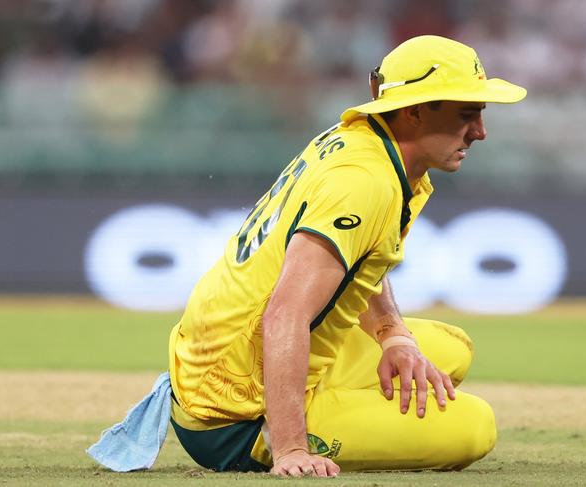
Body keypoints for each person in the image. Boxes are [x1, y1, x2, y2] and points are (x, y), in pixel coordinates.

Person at [167, 35, 526, 477]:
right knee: (474, 427)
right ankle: (280, 432)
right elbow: (283, 314)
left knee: (451, 351)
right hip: (231, 412)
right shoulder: (364, 182)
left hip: (227, 352)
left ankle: (343, 403)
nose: (480, 132)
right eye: (466, 114)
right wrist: (292, 450)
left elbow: (360, 260)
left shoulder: (370, 147)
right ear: (414, 111)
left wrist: (392, 334)